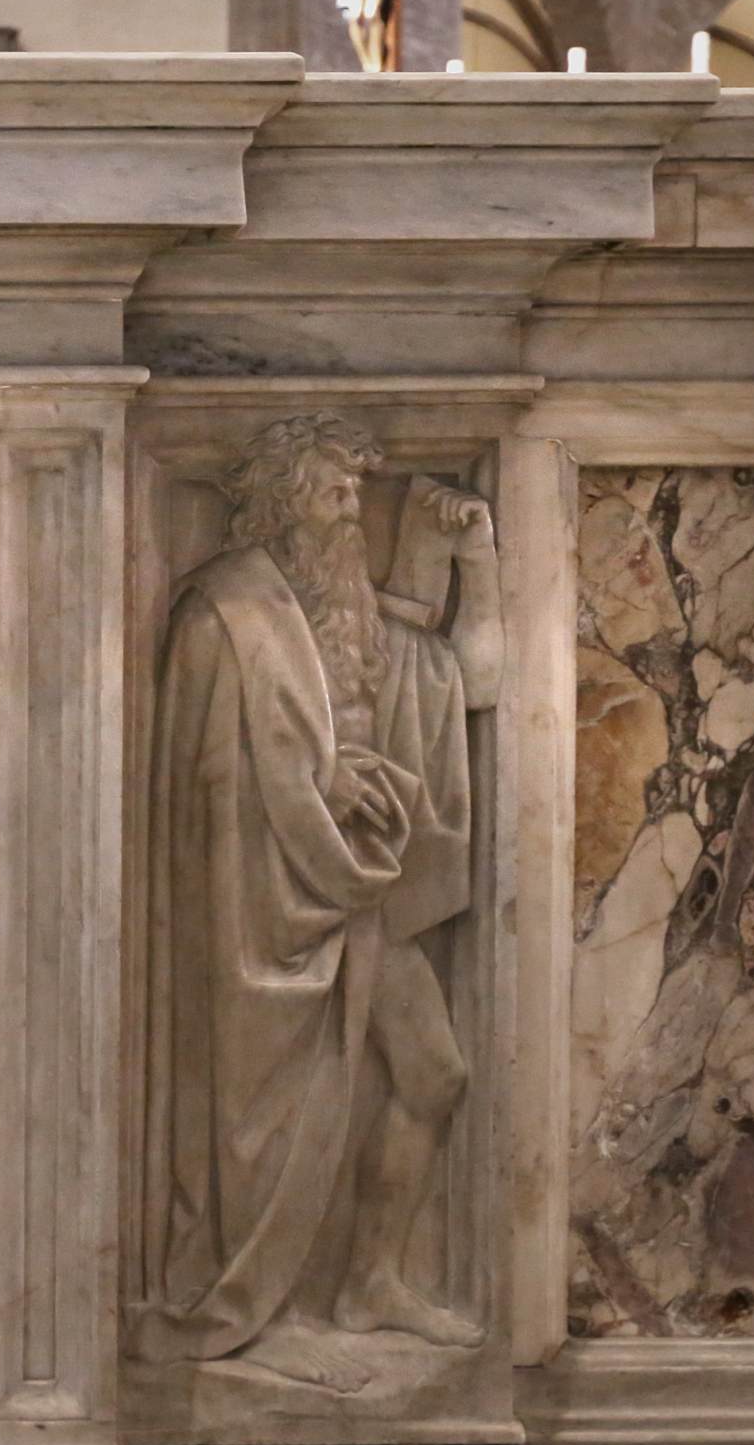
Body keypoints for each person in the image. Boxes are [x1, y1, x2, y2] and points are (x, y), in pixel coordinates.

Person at [136, 413, 504, 1395]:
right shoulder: (222, 613)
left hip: (356, 885)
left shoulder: (342, 614)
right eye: (335, 495)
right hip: (260, 906)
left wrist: (470, 560)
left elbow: (466, 670)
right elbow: (199, 785)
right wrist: (309, 789)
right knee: (279, 1100)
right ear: (282, 504)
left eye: (355, 496)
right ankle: (264, 1301)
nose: (352, 514)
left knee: (431, 1072)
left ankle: (370, 1279)